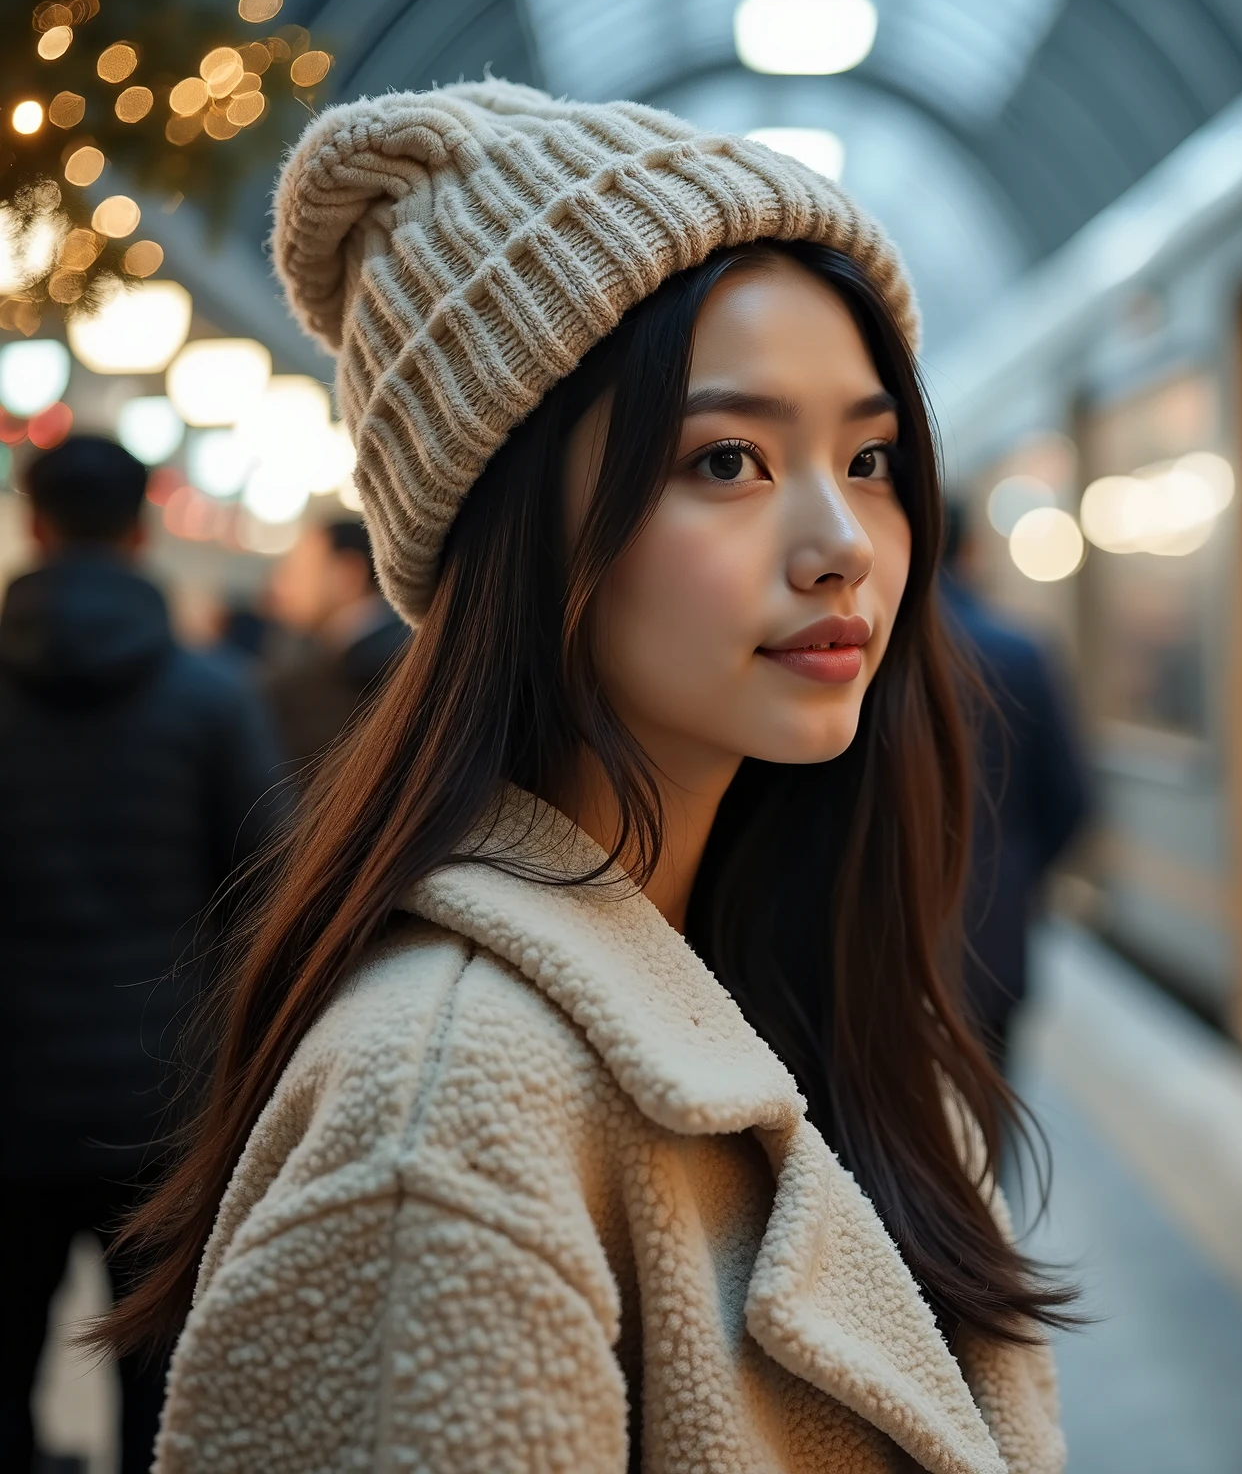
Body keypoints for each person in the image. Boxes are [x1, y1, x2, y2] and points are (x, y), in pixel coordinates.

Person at [97, 85, 1071, 1473]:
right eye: (726, 461)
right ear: (519, 532)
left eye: (868, 460)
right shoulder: (442, 1130)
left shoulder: (802, 988)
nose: (843, 541)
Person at [0, 436, 283, 1473]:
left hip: (6, 1094)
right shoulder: (211, 699)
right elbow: (269, 888)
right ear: (139, 530)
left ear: (33, 522)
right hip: (158, 1103)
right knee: (158, 1385)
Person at [940, 501, 1090, 1070]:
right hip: (993, 935)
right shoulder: (1020, 652)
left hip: (870, 952)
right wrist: (1013, 871)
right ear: (971, 550)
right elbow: (1071, 799)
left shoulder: (856, 651)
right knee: (983, 1122)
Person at [261, 517, 411, 771]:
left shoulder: (383, 664)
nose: (279, 586)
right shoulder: (336, 655)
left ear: (347, 574)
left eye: (296, 571)